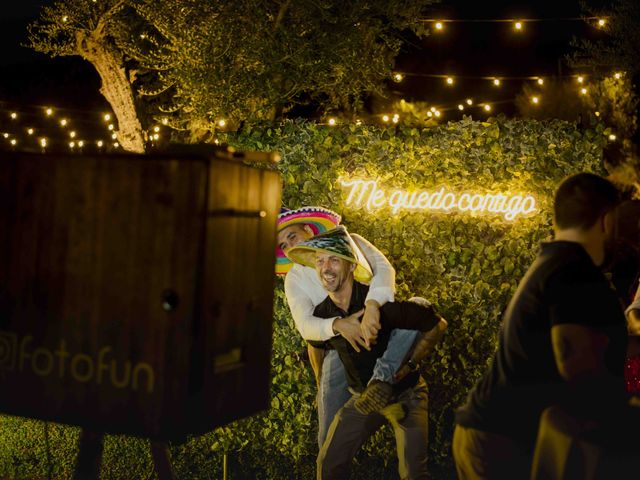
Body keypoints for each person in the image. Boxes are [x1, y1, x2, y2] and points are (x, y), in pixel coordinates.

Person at [453, 172, 629, 479]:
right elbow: (575, 357)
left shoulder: (554, 262)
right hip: (501, 441)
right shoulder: (575, 269)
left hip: (490, 432)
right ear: (607, 221)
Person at [286, 226, 447, 480]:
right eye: (320, 261)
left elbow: (437, 324)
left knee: (414, 473)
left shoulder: (378, 305)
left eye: (334, 259)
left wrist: (410, 365)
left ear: (351, 265)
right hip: (364, 399)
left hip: (406, 394)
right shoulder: (322, 315)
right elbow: (313, 342)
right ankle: (376, 386)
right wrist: (321, 386)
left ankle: (384, 380)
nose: (326, 268)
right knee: (328, 465)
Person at [276, 206, 419, 447]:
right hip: (339, 346)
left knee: (418, 312)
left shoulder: (350, 241)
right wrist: (340, 325)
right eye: (284, 245)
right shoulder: (294, 278)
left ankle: (386, 388)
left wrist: (373, 306)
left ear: (308, 228)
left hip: (377, 323)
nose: (290, 246)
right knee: (329, 432)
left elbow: (384, 269)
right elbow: (305, 325)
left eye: (292, 236)